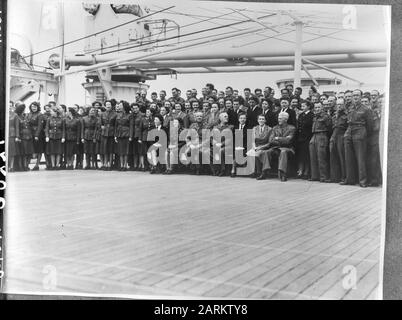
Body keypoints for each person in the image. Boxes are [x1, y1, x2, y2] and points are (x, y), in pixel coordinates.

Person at [343, 89, 373, 187]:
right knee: (348, 157)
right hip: (349, 131)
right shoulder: (350, 108)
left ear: (361, 96)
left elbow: (370, 126)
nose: (355, 97)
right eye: (354, 95)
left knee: (360, 158)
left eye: (357, 95)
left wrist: (364, 134)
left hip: (360, 131)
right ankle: (350, 179)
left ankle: (362, 181)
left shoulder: (366, 109)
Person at [256, 112, 296, 181]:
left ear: (286, 119)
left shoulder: (292, 128)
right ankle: (264, 172)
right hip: (275, 148)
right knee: (266, 152)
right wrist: (283, 139)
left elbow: (288, 141)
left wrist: (277, 138)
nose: (278, 120)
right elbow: (271, 140)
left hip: (288, 149)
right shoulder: (275, 128)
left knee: (283, 152)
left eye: (280, 118)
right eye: (278, 118)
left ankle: (283, 173)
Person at [309, 102, 332, 182]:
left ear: (322, 108)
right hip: (314, 136)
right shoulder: (315, 117)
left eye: (319, 107)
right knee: (313, 157)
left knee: (321, 157)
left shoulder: (326, 117)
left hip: (322, 135)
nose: (317, 109)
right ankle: (314, 176)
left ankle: (323, 176)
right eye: (316, 107)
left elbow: (329, 128)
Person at [329, 98, 348, 183]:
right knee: (333, 156)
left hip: (342, 135)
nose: (339, 106)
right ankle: (335, 177)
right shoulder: (335, 115)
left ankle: (344, 177)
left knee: (342, 157)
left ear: (344, 105)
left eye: (341, 104)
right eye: (338, 104)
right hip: (334, 135)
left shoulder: (346, 115)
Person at [209, 112, 234, 176]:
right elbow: (211, 137)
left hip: (227, 146)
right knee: (209, 151)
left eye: (227, 116)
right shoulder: (215, 127)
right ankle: (215, 170)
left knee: (221, 150)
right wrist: (213, 142)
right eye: (225, 116)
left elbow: (230, 139)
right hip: (216, 145)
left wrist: (221, 144)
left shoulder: (230, 127)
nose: (227, 117)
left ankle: (222, 170)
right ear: (220, 118)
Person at [367, 90, 382, 186]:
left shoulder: (379, 108)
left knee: (374, 159)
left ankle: (375, 180)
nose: (373, 97)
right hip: (369, 136)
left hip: (375, 136)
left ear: (378, 96)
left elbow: (376, 126)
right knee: (370, 159)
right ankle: (372, 179)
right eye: (371, 95)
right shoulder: (369, 108)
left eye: (375, 95)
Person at [296, 100, 314, 179]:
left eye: (304, 106)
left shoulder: (311, 115)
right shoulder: (301, 115)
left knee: (306, 155)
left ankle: (306, 171)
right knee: (300, 155)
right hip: (300, 138)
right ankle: (300, 170)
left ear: (308, 106)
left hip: (307, 137)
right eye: (301, 106)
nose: (302, 107)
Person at [114, 101, 133, 171]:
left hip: (127, 134)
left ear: (124, 106)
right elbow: (116, 126)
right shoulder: (117, 115)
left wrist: (131, 136)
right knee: (120, 151)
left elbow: (131, 126)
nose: (119, 106)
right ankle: (121, 165)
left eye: (121, 105)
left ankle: (125, 165)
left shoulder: (129, 115)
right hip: (119, 134)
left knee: (126, 151)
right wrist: (115, 135)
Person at [252, 114, 272, 179]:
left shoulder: (269, 129)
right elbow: (252, 140)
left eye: (263, 119)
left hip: (265, 146)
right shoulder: (254, 128)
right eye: (260, 119)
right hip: (256, 146)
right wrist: (254, 147)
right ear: (257, 120)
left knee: (258, 153)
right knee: (252, 153)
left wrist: (260, 147)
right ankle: (255, 172)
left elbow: (269, 142)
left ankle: (260, 172)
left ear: (265, 120)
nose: (261, 120)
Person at [26, 102, 45, 171]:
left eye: (35, 107)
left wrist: (37, 135)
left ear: (38, 107)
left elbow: (40, 126)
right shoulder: (29, 114)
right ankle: (27, 165)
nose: (33, 108)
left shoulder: (40, 114)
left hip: (38, 134)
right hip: (30, 133)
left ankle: (37, 165)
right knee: (31, 150)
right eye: (32, 106)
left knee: (38, 150)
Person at [231, 112, 250, 177]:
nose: (242, 120)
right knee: (235, 151)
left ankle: (238, 170)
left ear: (246, 119)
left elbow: (249, 140)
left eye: (244, 118)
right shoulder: (235, 127)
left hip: (245, 147)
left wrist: (243, 147)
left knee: (240, 151)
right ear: (238, 119)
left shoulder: (248, 128)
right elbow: (232, 139)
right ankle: (233, 169)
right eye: (241, 118)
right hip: (235, 146)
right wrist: (235, 147)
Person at [15, 103, 34, 171]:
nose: (24, 111)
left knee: (29, 153)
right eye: (23, 109)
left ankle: (26, 165)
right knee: (22, 153)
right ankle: (21, 166)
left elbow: (30, 124)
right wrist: (18, 137)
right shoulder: (17, 116)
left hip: (29, 136)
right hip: (22, 137)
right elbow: (17, 127)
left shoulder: (26, 116)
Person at [99, 100, 117, 170]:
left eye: (109, 104)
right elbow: (100, 123)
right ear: (105, 106)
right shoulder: (102, 114)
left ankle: (110, 165)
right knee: (105, 150)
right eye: (107, 104)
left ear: (111, 106)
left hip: (112, 133)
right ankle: (105, 164)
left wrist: (115, 134)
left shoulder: (115, 114)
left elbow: (116, 125)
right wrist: (102, 126)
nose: (108, 106)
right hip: (104, 133)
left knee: (111, 150)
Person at [8, 103, 20, 172]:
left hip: (12, 135)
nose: (9, 107)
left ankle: (11, 167)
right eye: (8, 106)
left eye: (10, 106)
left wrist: (17, 136)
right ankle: (6, 166)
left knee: (12, 152)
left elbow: (17, 126)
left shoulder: (15, 115)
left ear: (12, 107)